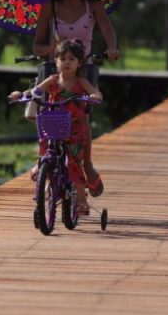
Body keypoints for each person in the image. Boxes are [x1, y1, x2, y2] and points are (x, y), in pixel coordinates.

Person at [31, 0, 119, 197]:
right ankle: (42, 157)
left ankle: (86, 164)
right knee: (43, 110)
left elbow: (108, 30)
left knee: (83, 117)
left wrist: (111, 47)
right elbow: (37, 46)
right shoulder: (50, 7)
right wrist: (51, 49)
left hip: (84, 67)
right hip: (54, 67)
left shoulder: (94, 5)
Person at [9, 39, 103, 216]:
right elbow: (35, 91)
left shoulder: (81, 82)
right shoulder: (52, 80)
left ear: (79, 63)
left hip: (75, 127)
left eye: (72, 59)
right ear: (56, 62)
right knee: (44, 140)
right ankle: (41, 163)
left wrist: (94, 96)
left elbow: (95, 92)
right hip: (54, 122)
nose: (67, 62)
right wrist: (21, 94)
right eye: (63, 58)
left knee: (75, 163)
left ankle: (82, 201)